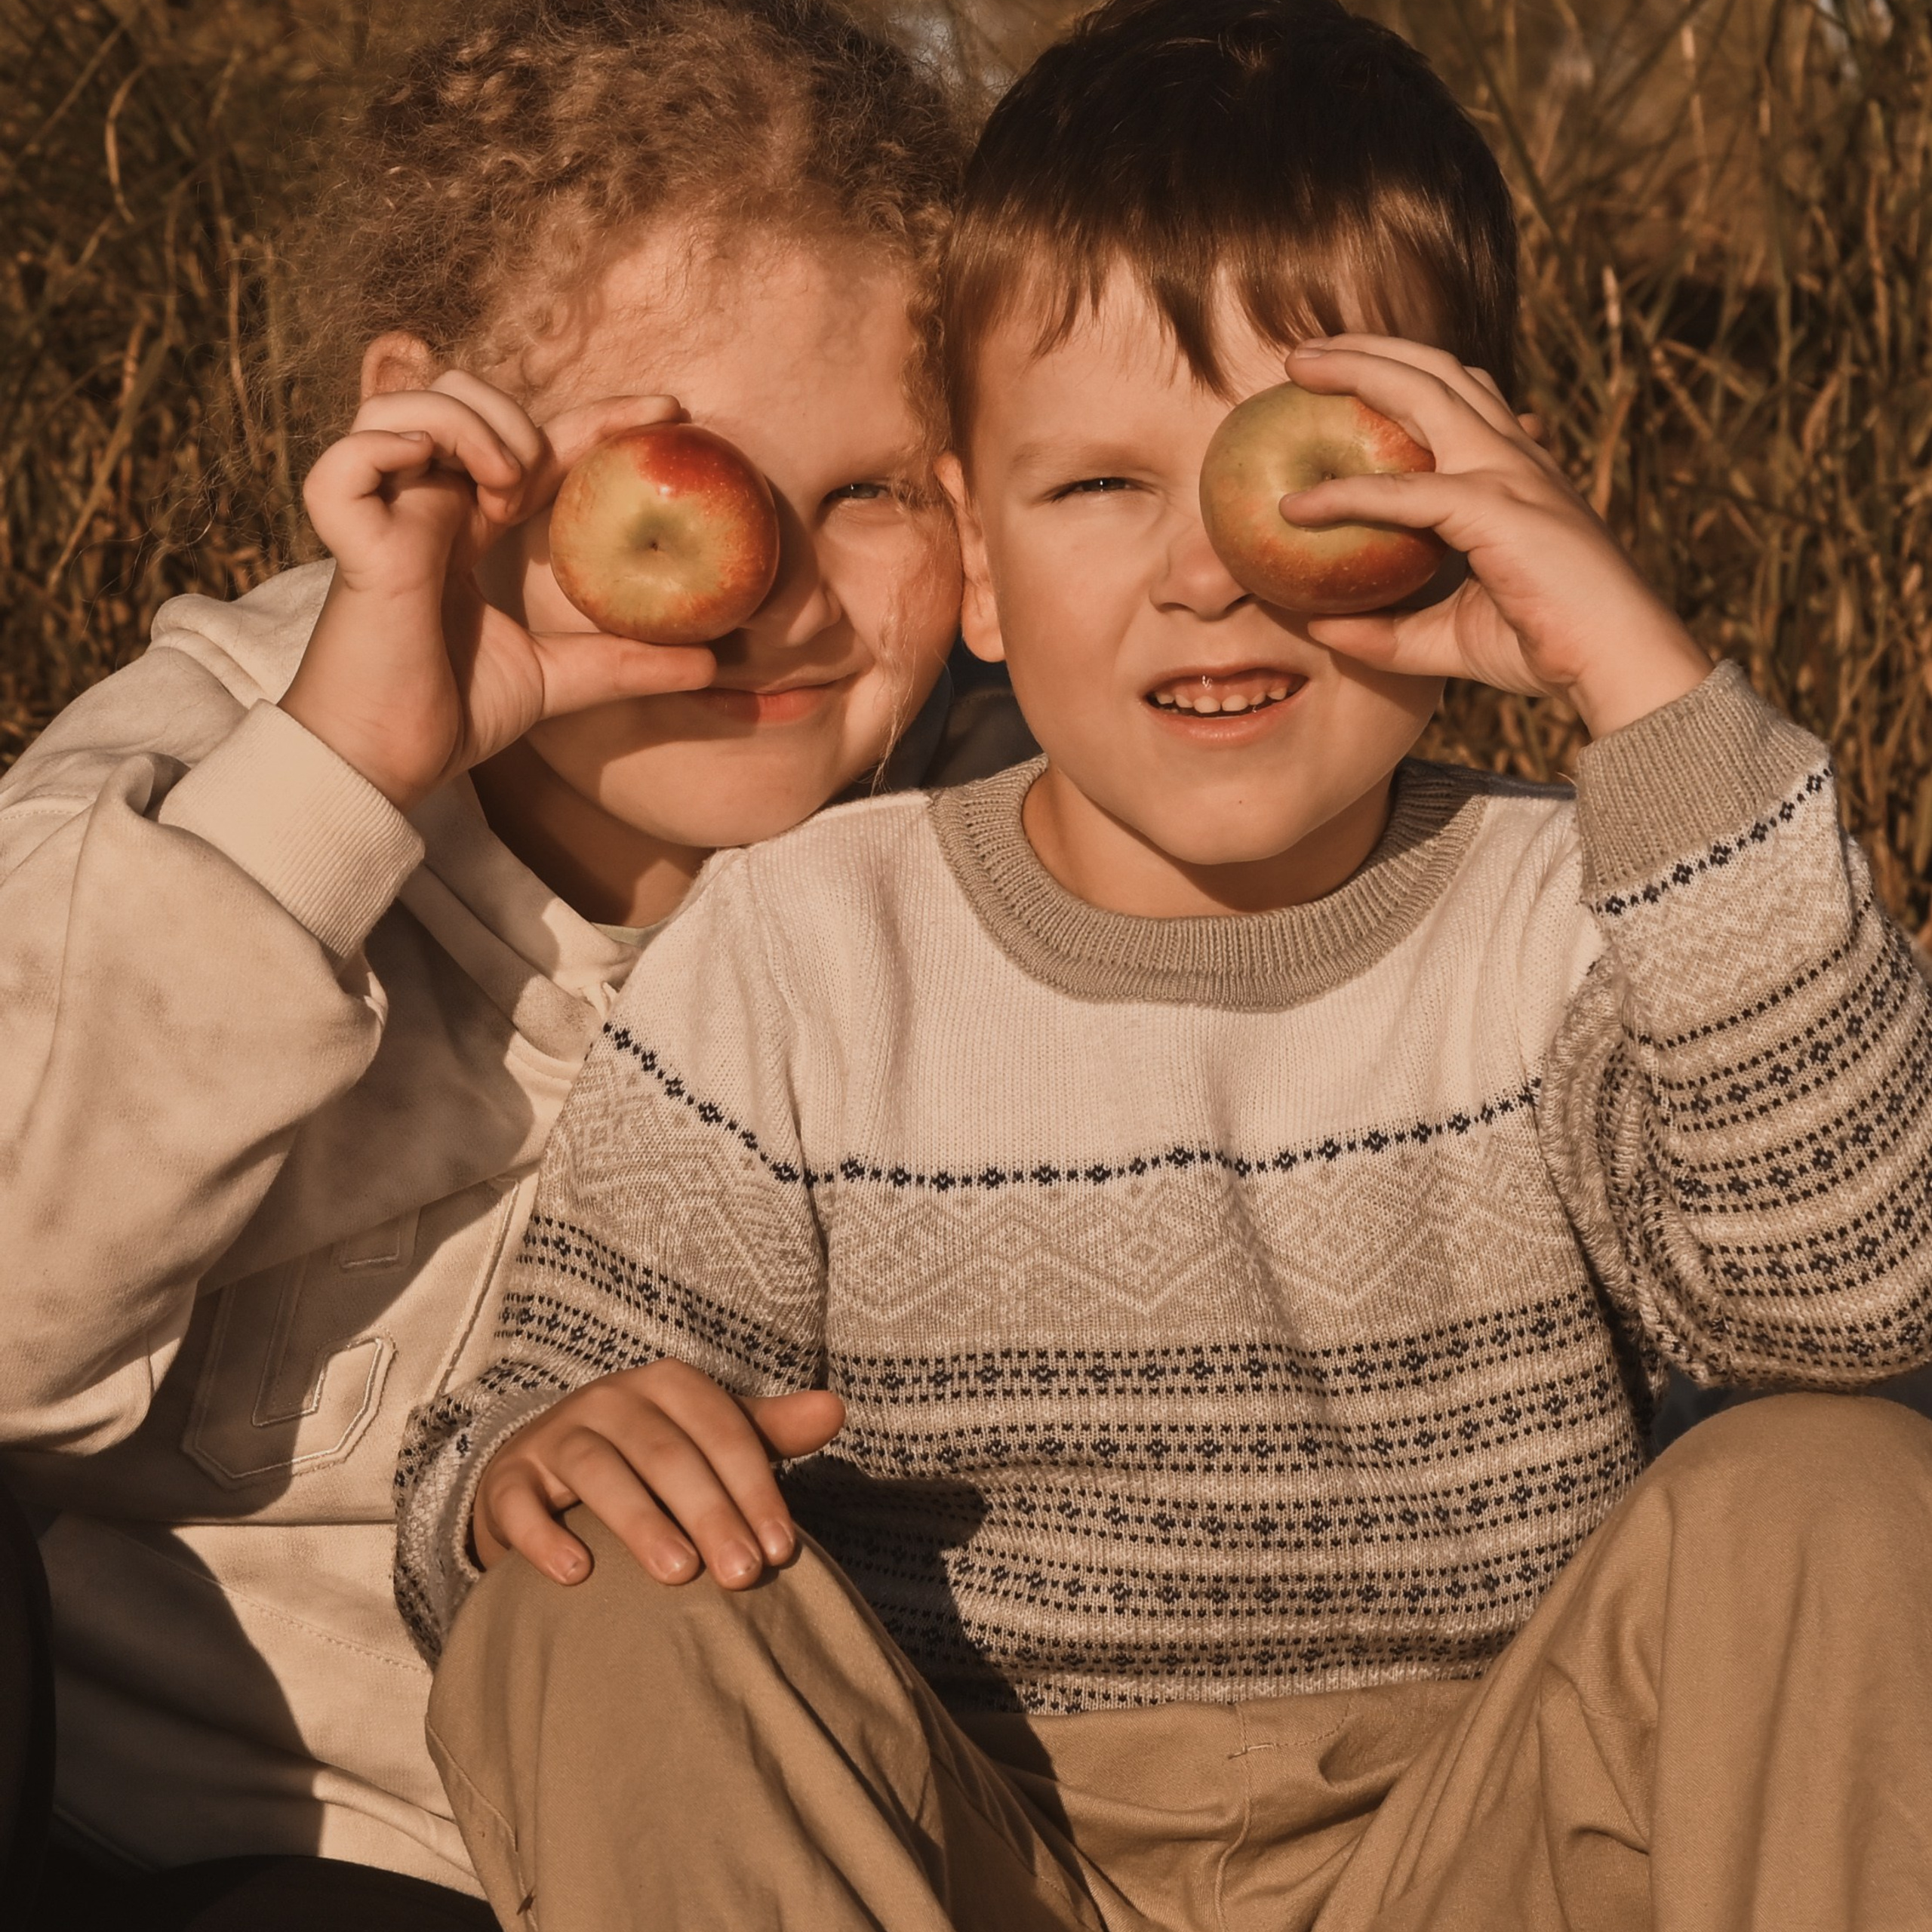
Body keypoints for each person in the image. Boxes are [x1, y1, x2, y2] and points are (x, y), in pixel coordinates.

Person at [398, 0, 1932, 1926]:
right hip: (951, 1855)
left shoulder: (1585, 919)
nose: (1207, 568)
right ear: (968, 548)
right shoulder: (802, 949)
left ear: (1484, 503)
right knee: (596, 1579)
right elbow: (513, 1448)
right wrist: (533, 1463)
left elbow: (1852, 1301)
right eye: (1101, 485)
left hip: (1487, 1837)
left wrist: (1639, 686)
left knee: (1838, 1489)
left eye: (1304, 475)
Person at [0, 0, 1032, 1921]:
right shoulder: (196, 784)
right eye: (687, 473)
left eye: (877, 489)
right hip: (183, 1814)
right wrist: (338, 786)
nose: (777, 587)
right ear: (432, 421)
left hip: (674, 1823)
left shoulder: (969, 878)